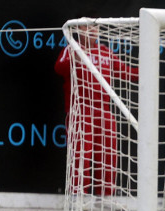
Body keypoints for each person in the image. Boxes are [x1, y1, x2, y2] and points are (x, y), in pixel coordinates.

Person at [54, 23, 137, 197]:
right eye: (87, 27)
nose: (92, 30)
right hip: (81, 110)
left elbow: (128, 73)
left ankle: (106, 196)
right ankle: (78, 195)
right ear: (78, 30)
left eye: (95, 27)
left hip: (104, 110)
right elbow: (58, 69)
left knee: (108, 155)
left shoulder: (106, 52)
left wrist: (149, 68)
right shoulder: (72, 49)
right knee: (81, 154)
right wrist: (74, 59)